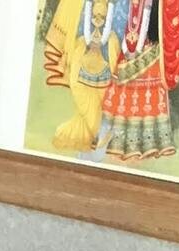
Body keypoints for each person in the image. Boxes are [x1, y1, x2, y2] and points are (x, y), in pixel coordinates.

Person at [94, 0, 179, 163]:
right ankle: (114, 140)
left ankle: (149, 143)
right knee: (123, 90)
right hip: (130, 40)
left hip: (153, 42)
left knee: (149, 94)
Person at [50, 1, 125, 151]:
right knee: (85, 106)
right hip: (84, 66)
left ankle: (97, 136)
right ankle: (94, 136)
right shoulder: (83, 28)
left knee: (98, 108)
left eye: (101, 17)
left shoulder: (112, 36)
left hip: (103, 67)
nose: (98, 19)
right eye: (95, 16)